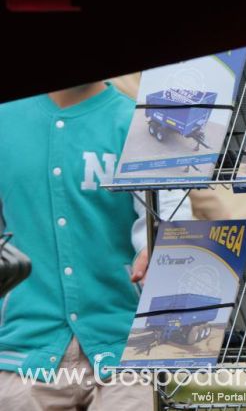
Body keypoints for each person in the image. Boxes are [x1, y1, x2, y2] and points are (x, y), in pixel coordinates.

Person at [0, 80, 191, 410]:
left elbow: (172, 221)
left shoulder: (141, 124)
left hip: (123, 349)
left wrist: (157, 248)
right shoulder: (5, 121)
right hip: (21, 351)